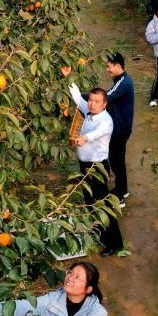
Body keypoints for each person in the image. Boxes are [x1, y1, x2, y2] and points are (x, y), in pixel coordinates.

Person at [61, 53, 134, 202]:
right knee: (114, 161)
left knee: (116, 162)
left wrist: (90, 98)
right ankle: (121, 191)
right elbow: (79, 99)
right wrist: (69, 79)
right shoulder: (92, 108)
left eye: (109, 66)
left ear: (118, 65)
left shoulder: (124, 82)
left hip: (120, 130)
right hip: (114, 131)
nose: (107, 69)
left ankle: (120, 194)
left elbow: (107, 98)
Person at [66, 84, 126, 256]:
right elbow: (78, 98)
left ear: (104, 104)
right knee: (90, 202)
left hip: (97, 167)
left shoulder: (106, 121)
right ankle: (100, 234)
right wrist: (68, 77)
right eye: (91, 100)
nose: (92, 104)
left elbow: (96, 134)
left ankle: (115, 243)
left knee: (101, 204)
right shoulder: (89, 110)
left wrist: (84, 137)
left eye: (97, 101)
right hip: (85, 166)